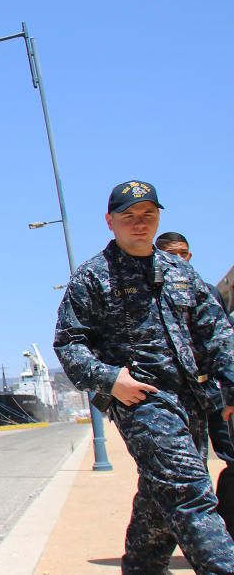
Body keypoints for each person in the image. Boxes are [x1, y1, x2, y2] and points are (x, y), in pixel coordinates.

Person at [54, 180, 234, 573]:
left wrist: (231, 392)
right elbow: (69, 344)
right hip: (141, 400)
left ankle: (142, 566)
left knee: (162, 491)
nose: (140, 224)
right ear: (110, 221)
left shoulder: (181, 274)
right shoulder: (92, 277)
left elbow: (217, 334)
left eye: (148, 216)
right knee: (189, 491)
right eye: (129, 217)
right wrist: (110, 379)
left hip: (192, 399)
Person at [156, 231, 234, 538]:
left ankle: (224, 535)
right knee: (188, 472)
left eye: (184, 253)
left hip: (212, 394)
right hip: (174, 400)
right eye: (171, 254)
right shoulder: (145, 296)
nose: (179, 259)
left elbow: (222, 344)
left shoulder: (206, 292)